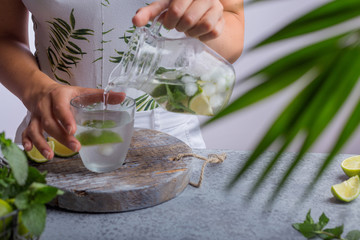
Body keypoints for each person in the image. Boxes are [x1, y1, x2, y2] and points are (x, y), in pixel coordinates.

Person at [0, 0, 244, 160]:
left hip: (171, 150)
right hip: (53, 141)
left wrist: (208, 20)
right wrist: (39, 90)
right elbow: (5, 35)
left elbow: (233, 25)